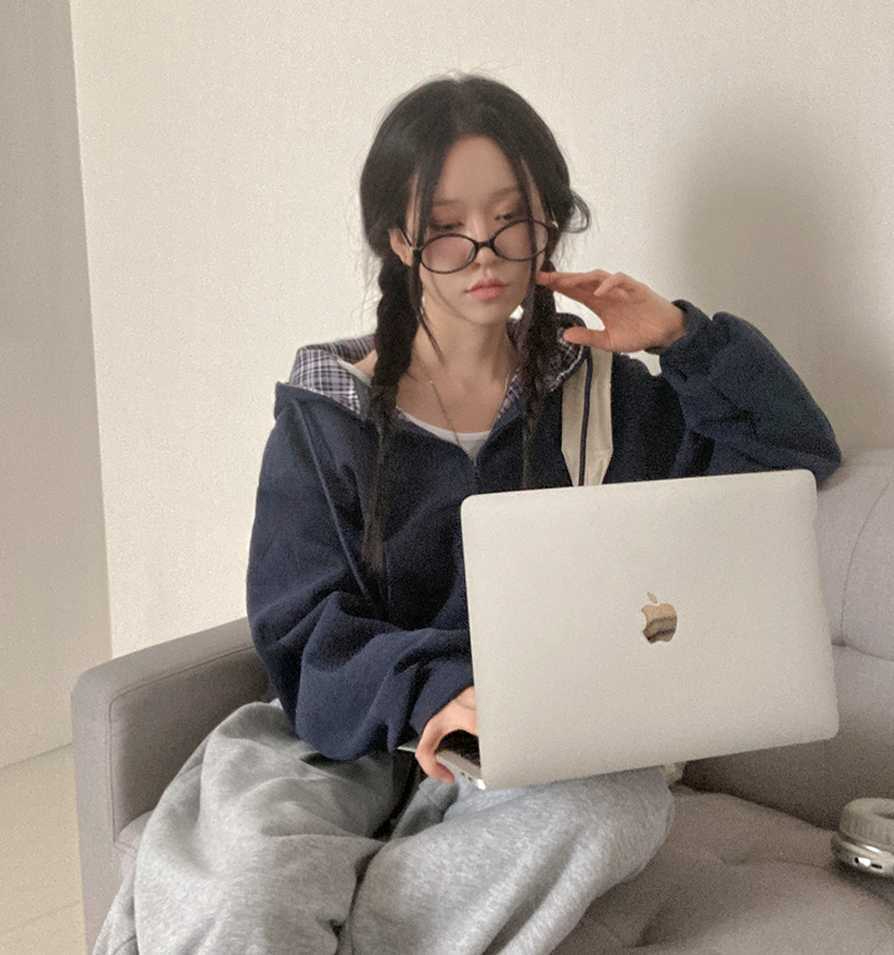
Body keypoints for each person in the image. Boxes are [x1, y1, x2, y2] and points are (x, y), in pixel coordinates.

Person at [92, 71, 842, 955]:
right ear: (398, 239)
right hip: (340, 735)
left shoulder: (606, 400)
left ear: (547, 226)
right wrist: (441, 687)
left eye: (509, 218)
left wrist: (685, 339)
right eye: (446, 226)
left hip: (530, 753)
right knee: (252, 886)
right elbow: (301, 630)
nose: (483, 252)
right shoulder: (327, 412)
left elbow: (793, 454)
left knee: (622, 805)